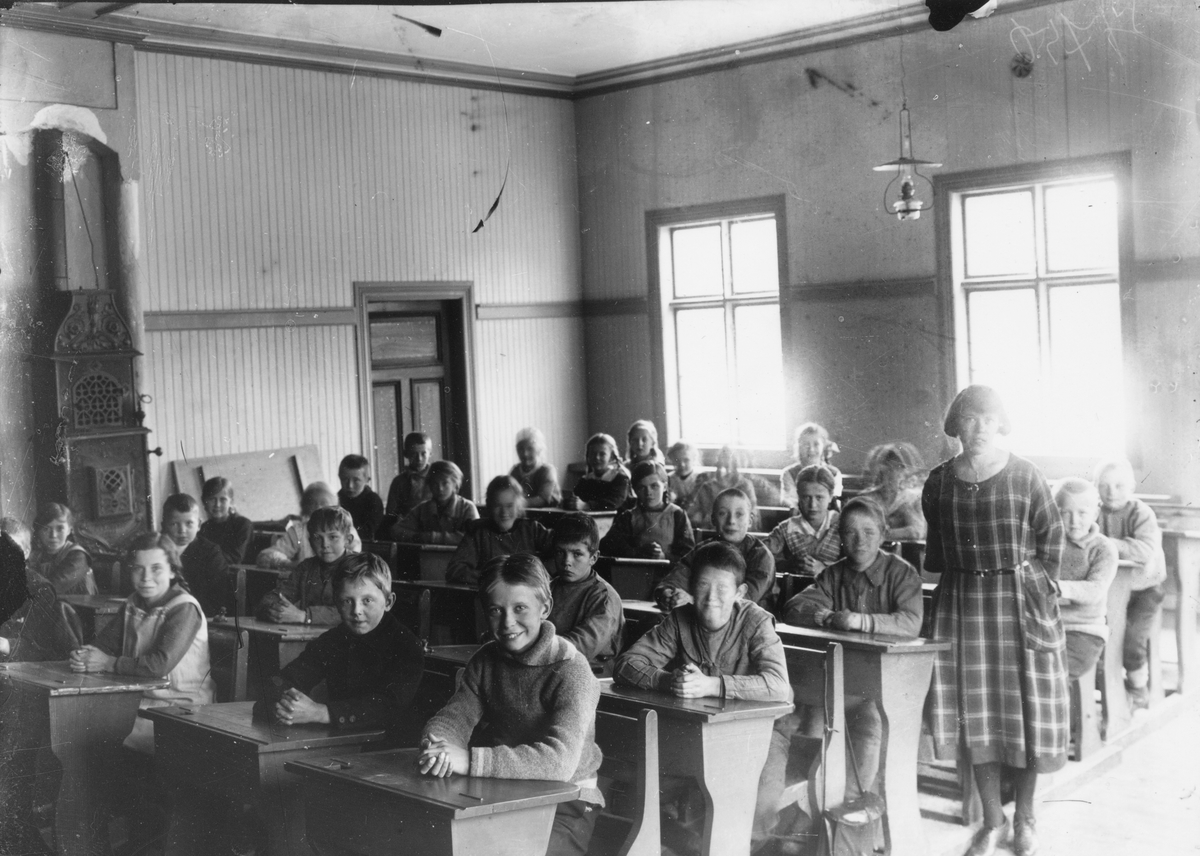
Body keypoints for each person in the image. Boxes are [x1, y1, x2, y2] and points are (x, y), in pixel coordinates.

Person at [923, 385, 1067, 856]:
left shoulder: (1026, 474)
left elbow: (1052, 538)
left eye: (988, 418)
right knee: (976, 717)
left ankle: (1025, 818)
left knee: (1025, 713)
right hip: (963, 605)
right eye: (970, 418)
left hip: (1018, 603)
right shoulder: (939, 482)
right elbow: (937, 555)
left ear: (1001, 423)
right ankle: (992, 821)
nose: (980, 428)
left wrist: (1034, 586)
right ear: (956, 425)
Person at [418, 553, 604, 855]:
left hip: (567, 803)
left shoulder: (571, 669)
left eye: (520, 608)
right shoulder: (485, 661)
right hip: (504, 793)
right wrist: (439, 747)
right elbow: (454, 717)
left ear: (545, 608)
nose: (507, 622)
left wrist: (469, 761)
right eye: (495, 610)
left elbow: (560, 762)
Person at [613, 541, 791, 851]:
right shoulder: (680, 619)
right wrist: (667, 681)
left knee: (757, 798)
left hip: (761, 736)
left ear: (740, 592)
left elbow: (778, 686)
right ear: (691, 587)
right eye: (702, 586)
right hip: (698, 732)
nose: (710, 598)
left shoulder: (756, 622)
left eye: (722, 589)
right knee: (636, 787)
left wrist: (712, 685)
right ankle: (690, 845)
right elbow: (626, 664)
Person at [774, 496, 922, 824]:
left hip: (886, 686)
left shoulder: (901, 573)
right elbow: (795, 608)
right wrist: (825, 617)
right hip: (837, 680)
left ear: (883, 534)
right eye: (851, 533)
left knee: (867, 722)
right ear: (840, 537)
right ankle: (801, 807)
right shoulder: (834, 574)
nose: (860, 541)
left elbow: (911, 622)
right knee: (797, 714)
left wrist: (860, 621)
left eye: (869, 532)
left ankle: (852, 805)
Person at [254, 552, 426, 745]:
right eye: (347, 601)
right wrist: (284, 704)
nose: (356, 611)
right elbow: (286, 679)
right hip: (344, 743)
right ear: (336, 602)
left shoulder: (407, 646)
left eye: (367, 601)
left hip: (393, 749)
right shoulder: (333, 640)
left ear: (388, 602)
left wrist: (321, 712)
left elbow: (387, 706)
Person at [71, 532, 216, 752]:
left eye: (156, 568)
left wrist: (107, 663)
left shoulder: (184, 608)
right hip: (140, 702)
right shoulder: (133, 603)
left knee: (96, 735)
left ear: (172, 571)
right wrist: (85, 655)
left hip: (181, 707)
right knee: (77, 725)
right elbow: (104, 644)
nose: (146, 577)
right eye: (138, 568)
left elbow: (159, 665)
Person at [0, 528, 73, 855]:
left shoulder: (39, 589)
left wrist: (5, 645)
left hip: (21, 692)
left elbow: (48, 653)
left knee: (11, 781)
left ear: (26, 553)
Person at [1094, 458, 1167, 709]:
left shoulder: (1141, 513)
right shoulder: (1094, 512)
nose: (1111, 492)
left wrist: (1106, 543)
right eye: (1104, 486)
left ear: (1132, 487)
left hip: (1144, 590)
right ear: (1096, 486)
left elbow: (1144, 551)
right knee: (1101, 636)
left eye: (1119, 486)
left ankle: (1138, 688)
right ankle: (1108, 686)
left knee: (1132, 639)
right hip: (1109, 589)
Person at [654, 488, 775, 610]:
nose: (731, 521)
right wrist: (668, 594)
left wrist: (692, 601)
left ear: (750, 520)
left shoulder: (761, 556)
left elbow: (743, 602)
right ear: (713, 519)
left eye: (739, 514)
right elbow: (675, 579)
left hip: (749, 619)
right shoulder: (703, 550)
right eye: (722, 513)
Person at [1054, 478, 1118, 681]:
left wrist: (1058, 588)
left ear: (1095, 513)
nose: (1074, 521)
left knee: (1053, 675)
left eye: (1082, 513)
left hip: (1084, 632)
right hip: (1046, 628)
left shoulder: (1103, 548)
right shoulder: (1047, 543)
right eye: (1066, 513)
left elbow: (1095, 590)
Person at [547, 514, 624, 671]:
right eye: (560, 552)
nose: (567, 562)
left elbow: (580, 647)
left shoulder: (604, 597)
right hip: (553, 663)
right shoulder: (549, 587)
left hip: (593, 671)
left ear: (593, 558)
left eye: (577, 554)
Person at [446, 475, 552, 587]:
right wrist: (493, 578)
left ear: (519, 506)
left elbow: (559, 548)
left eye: (509, 506)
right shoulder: (478, 532)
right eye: (497, 506)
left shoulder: (532, 529)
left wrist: (539, 575)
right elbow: (455, 570)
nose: (504, 512)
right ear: (489, 506)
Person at [257, 506, 354, 626]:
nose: (325, 544)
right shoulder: (306, 567)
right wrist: (275, 609)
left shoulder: (359, 567)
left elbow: (352, 610)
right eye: (317, 538)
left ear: (348, 540)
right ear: (310, 541)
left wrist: (304, 616)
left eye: (333, 537)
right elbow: (275, 596)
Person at [599, 460, 695, 561]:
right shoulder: (628, 517)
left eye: (654, 486)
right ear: (635, 490)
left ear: (665, 487)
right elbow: (607, 546)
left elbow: (688, 554)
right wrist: (636, 553)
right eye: (641, 487)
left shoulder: (677, 514)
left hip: (669, 569)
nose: (648, 492)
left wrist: (664, 557)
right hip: (635, 569)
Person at [257, 481, 363, 569]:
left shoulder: (345, 527)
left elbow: (354, 555)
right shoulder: (299, 531)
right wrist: (287, 564)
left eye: (324, 503)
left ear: (335, 506)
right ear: (305, 507)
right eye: (312, 503)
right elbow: (266, 556)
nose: (319, 508)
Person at [162, 493, 232, 618]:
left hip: (199, 615)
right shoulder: (155, 549)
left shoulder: (211, 553)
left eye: (189, 523)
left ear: (199, 525)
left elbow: (218, 596)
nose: (182, 530)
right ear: (163, 525)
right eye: (174, 524)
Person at [765, 465, 842, 576]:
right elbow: (761, 555)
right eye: (806, 497)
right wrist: (787, 565)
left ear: (830, 496)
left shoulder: (842, 525)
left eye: (819, 497)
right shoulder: (786, 529)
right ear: (798, 496)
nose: (812, 505)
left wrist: (824, 568)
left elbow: (855, 564)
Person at [392, 460, 479, 545]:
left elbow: (474, 537)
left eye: (445, 483)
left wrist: (433, 537)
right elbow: (396, 530)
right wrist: (418, 537)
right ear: (429, 485)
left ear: (455, 485)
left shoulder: (467, 507)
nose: (440, 488)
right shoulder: (422, 508)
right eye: (435, 483)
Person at [859, 441, 927, 541]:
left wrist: (881, 535)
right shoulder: (868, 497)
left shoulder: (911, 498)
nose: (887, 475)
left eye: (894, 468)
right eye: (884, 468)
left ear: (903, 471)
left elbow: (916, 532)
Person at [28, 502, 96, 596]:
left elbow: (55, 586)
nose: (53, 535)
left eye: (60, 529)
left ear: (69, 530)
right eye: (46, 529)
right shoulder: (35, 556)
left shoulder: (78, 555)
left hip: (78, 604)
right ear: (38, 532)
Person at [687, 444, 759, 530]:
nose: (723, 470)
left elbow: (753, 513)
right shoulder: (707, 487)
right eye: (720, 466)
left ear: (734, 467)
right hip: (712, 530)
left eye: (727, 466)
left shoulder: (745, 486)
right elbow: (694, 510)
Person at [780, 423, 843, 509]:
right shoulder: (789, 473)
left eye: (816, 444)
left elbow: (834, 502)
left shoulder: (834, 473)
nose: (811, 449)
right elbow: (790, 501)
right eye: (806, 444)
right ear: (799, 447)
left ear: (823, 446)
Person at [564, 433, 631, 512]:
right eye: (593, 453)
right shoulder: (585, 480)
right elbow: (575, 497)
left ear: (611, 457)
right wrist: (571, 503)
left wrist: (586, 505)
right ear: (588, 456)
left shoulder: (620, 478)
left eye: (602, 454)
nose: (597, 457)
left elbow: (613, 503)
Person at [198, 476, 254, 565]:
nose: (217, 504)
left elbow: (234, 558)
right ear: (204, 502)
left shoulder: (242, 525)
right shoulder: (204, 527)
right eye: (212, 499)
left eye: (223, 499)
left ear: (231, 502)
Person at [383, 432, 433, 524]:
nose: (419, 459)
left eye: (423, 454)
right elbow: (391, 514)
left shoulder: (437, 478)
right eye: (414, 454)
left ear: (430, 453)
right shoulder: (399, 482)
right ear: (406, 454)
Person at [510, 427, 562, 508]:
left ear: (539, 450)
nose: (525, 454)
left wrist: (517, 504)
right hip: (524, 512)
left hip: (548, 513)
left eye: (530, 449)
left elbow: (543, 499)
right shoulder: (515, 471)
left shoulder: (547, 471)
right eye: (520, 449)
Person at [338, 453, 384, 543]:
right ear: (339, 477)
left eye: (356, 480)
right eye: (345, 479)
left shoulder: (373, 501)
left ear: (367, 480)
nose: (350, 486)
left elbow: (367, 533)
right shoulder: (335, 499)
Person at [665, 440, 702, 515]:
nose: (682, 464)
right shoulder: (668, 478)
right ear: (671, 460)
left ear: (694, 459)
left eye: (686, 460)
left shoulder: (700, 478)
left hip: (695, 515)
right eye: (677, 460)